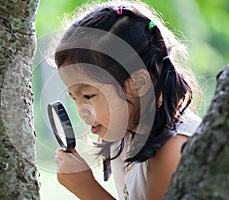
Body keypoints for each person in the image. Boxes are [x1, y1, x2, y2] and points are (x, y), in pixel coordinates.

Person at [53, 1, 202, 199]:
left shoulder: (173, 150)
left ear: (138, 84)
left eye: (88, 96)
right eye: (74, 98)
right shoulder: (126, 132)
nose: (81, 111)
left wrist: (87, 189)